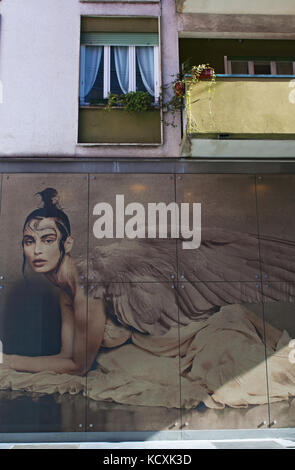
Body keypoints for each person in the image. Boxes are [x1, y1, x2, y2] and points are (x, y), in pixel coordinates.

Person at [3, 188, 107, 376]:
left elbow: (78, 367)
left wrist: (7, 360)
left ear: (67, 244)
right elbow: (65, 358)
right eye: (29, 241)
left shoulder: (86, 285)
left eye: (48, 240)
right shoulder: (66, 290)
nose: (37, 251)